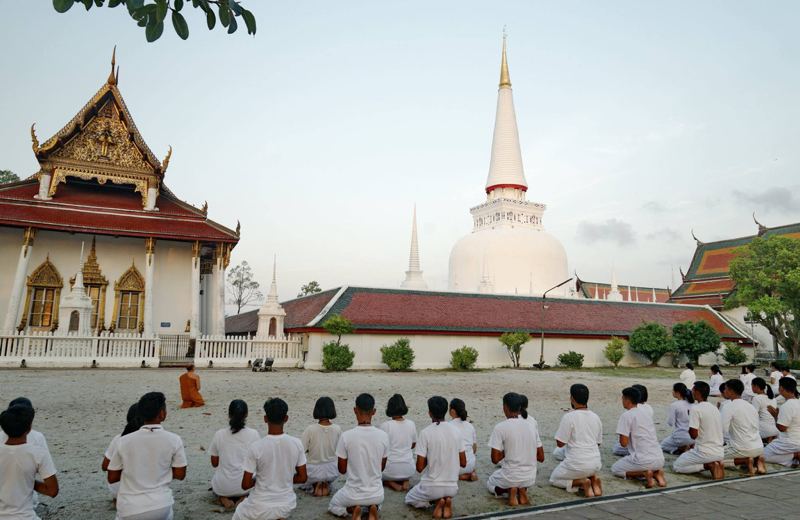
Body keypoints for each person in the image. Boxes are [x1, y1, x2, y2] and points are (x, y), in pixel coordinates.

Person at [108, 392, 187, 520]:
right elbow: (180, 474)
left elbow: (112, 477)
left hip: (130, 507)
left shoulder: (123, 441)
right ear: (162, 413)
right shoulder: (174, 439)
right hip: (161, 505)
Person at [232, 398, 307, 520]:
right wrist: (283, 479)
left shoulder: (256, 447)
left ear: (265, 419)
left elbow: (245, 485)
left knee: (239, 513)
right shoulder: (296, 444)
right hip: (286, 503)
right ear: (286, 418)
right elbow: (303, 477)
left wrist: (263, 480)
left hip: (259, 505)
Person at [328, 393, 390, 520]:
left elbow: (342, 470)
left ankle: (352, 509)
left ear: (355, 410)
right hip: (376, 493)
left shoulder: (346, 436)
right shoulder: (383, 436)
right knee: (378, 501)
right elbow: (381, 467)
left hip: (352, 493)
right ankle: (373, 508)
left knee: (333, 505)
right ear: (374, 412)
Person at [405, 396, 466, 519]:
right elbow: (463, 462)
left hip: (431, 486)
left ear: (430, 414)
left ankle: (435, 502)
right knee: (442, 491)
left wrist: (431, 455)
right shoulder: (456, 431)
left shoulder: (426, 432)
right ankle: (444, 500)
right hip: (452, 487)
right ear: (446, 412)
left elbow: (419, 468)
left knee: (409, 498)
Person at [0, 404, 58, 520]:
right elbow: (52, 490)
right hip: (25, 516)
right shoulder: (38, 453)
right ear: (29, 428)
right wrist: (28, 481)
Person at [487, 392, 543, 506]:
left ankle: (510, 491)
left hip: (510, 476)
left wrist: (507, 450)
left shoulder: (500, 427)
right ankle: (521, 490)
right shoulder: (532, 427)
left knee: (490, 483)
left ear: (505, 407)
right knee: (519, 480)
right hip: (530, 477)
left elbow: (495, 459)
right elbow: (541, 457)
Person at [550, 384, 603, 498]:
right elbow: (598, 443)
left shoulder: (569, 417)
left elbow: (560, 443)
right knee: (558, 453)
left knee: (554, 479)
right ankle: (592, 478)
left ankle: (582, 482)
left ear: (572, 398)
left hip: (578, 463)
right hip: (595, 462)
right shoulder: (595, 416)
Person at [209, 400, 261, 508]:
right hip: (246, 485)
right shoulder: (253, 434)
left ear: (229, 415)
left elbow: (214, 463)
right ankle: (244, 496)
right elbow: (259, 461)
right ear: (246, 415)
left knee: (216, 480)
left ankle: (223, 497)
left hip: (222, 487)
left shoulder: (219, 435)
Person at [611, 387, 666, 488]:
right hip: (659, 458)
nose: (622, 402)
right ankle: (656, 473)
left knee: (616, 469)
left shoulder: (626, 415)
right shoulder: (645, 413)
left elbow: (623, 443)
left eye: (622, 399)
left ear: (627, 401)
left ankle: (645, 474)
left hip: (643, 460)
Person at [672, 382, 725, 479]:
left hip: (704, 451)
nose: (691, 393)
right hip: (719, 451)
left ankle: (708, 465)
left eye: (692, 390)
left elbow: (693, 435)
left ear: (697, 393)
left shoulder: (696, 409)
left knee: (677, 466)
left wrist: (691, 420)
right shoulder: (714, 408)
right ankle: (716, 463)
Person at [719, 379, 765, 475]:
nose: (725, 392)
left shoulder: (728, 406)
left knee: (711, 459)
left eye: (726, 390)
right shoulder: (750, 405)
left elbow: (722, 429)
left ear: (731, 391)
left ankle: (745, 460)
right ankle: (756, 460)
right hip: (758, 446)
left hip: (742, 448)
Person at [301, 397, 342, 497]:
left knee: (302, 480)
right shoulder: (337, 429)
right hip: (332, 470)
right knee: (328, 467)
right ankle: (326, 483)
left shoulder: (311, 429)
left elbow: (302, 450)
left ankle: (316, 484)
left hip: (313, 471)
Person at [102, 403, 143, 503]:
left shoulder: (118, 439)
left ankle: (119, 500)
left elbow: (104, 466)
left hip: (118, 488)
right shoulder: (155, 438)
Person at [379, 394, 417, 492]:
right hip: (409, 469)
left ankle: (390, 482)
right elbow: (413, 444)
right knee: (404, 468)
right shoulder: (411, 424)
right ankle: (405, 480)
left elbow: (380, 448)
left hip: (389, 470)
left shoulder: (386, 426)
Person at [763, 377, 800, 467]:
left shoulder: (787, 405)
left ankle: (796, 455)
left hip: (789, 441)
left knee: (764, 456)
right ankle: (794, 458)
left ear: (781, 388)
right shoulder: (798, 402)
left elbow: (782, 428)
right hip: (797, 439)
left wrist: (775, 416)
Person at [613, 384, 653, 456]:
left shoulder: (630, 412)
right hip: (649, 442)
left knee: (617, 449)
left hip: (637, 443)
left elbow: (624, 443)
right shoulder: (649, 408)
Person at [660, 383, 695, 454]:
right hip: (692, 438)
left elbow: (670, 423)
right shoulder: (693, 405)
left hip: (680, 437)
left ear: (678, 392)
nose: (672, 392)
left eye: (673, 390)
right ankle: (688, 446)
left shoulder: (675, 405)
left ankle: (679, 448)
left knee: (662, 445)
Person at [448, 398, 477, 481]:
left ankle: (461, 476)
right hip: (470, 464)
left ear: (452, 411)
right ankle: (471, 472)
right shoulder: (470, 426)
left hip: (457, 465)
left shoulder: (449, 426)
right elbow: (474, 450)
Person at [751, 377, 780, 443]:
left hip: (765, 429)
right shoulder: (773, 398)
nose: (751, 388)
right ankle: (770, 438)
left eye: (752, 385)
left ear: (756, 386)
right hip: (776, 429)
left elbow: (755, 415)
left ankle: (766, 438)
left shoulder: (757, 398)